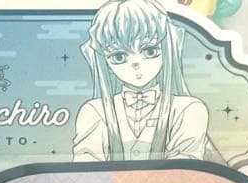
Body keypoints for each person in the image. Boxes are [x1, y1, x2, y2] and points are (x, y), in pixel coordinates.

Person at [73, 0, 209, 162]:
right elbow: (86, 168)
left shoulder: (188, 109)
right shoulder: (95, 111)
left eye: (149, 51)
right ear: (106, 64)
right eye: (119, 56)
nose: (136, 63)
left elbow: (184, 168)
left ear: (166, 50)